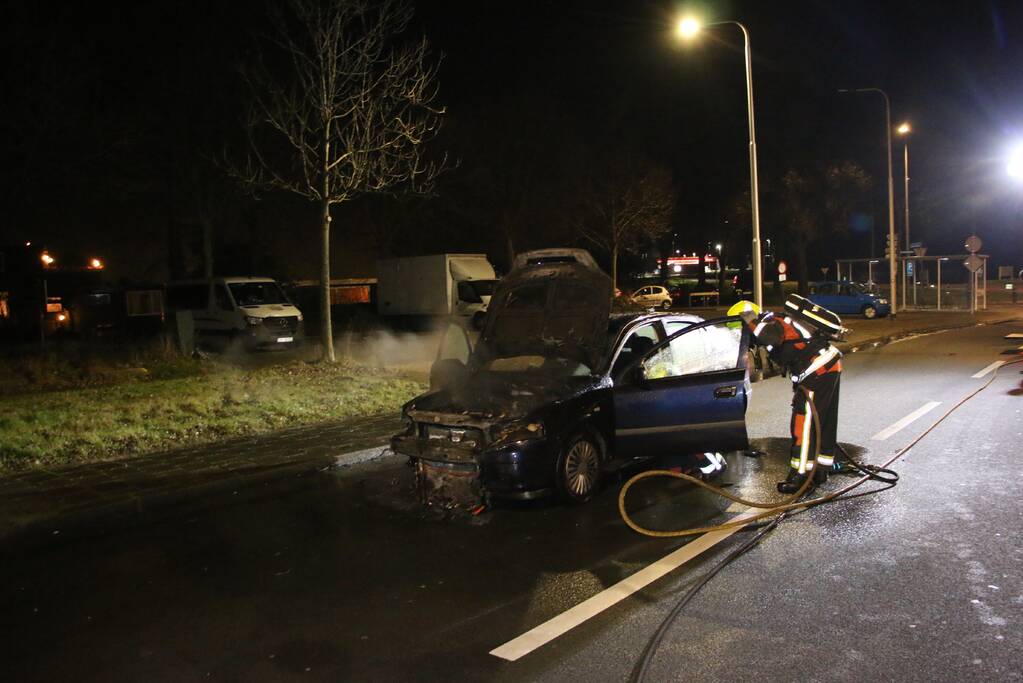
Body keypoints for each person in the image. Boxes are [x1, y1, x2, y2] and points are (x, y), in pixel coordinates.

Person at [736, 301, 842, 493]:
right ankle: (821, 470)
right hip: (828, 365)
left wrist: (749, 321)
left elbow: (767, 335)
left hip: (816, 370)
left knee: (804, 423)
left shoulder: (772, 325)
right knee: (823, 421)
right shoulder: (781, 321)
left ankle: (801, 477)